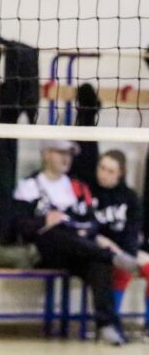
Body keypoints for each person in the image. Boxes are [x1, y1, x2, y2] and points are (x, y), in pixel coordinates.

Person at [12, 140, 139, 346]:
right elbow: (18, 227)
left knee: (98, 264)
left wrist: (83, 228)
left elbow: (92, 222)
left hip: (78, 250)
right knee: (55, 234)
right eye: (60, 152)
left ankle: (107, 326)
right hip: (45, 251)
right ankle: (112, 256)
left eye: (69, 154)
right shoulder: (29, 186)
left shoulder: (77, 186)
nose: (66, 158)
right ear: (46, 154)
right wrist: (44, 221)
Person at [91, 150, 149, 337]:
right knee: (121, 267)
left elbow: (133, 231)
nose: (104, 174)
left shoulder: (130, 197)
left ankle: (147, 325)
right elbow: (85, 226)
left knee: (143, 266)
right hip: (96, 249)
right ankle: (110, 323)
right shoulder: (88, 191)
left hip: (123, 248)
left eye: (110, 171)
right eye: (102, 168)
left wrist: (128, 254)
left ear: (120, 173)